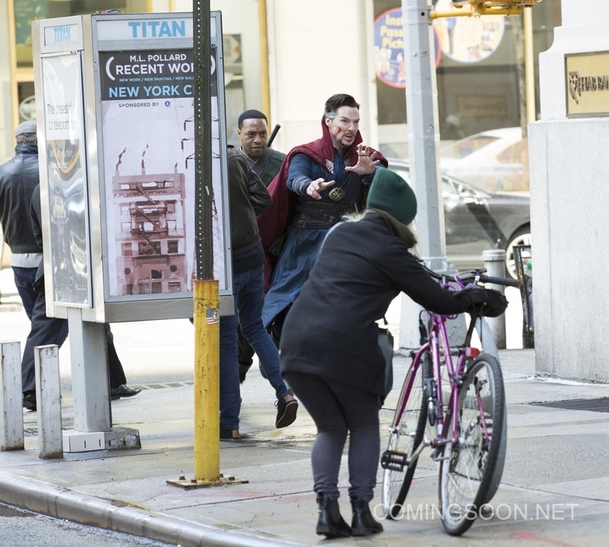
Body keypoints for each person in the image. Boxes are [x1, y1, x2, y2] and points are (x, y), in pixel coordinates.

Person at [279, 169, 508, 538]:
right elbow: (438, 299)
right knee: (364, 425)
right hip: (345, 347)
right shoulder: (391, 249)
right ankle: (361, 512)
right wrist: (473, 298)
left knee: (330, 427)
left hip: (295, 345)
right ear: (401, 219)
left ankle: (326, 513)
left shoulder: (340, 235)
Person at [258, 93, 388, 342]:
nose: (351, 128)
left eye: (356, 122)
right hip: (304, 244)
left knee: (350, 306)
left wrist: (372, 174)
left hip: (347, 242)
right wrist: (308, 185)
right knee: (284, 305)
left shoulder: (367, 157)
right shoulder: (306, 154)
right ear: (328, 121)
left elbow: (387, 186)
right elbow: (293, 177)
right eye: (344, 121)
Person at [21, 185, 141, 411]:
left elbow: (39, 234)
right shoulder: (73, 185)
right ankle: (30, 388)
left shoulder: (41, 187)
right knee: (47, 329)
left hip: (62, 264)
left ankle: (113, 380)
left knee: (98, 324)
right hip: (68, 267)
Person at [219, 145, 298, 440]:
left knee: (226, 340)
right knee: (254, 326)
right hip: (252, 255)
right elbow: (263, 198)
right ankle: (285, 393)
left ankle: (230, 422)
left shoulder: (191, 164)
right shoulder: (234, 156)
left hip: (224, 263)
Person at [234, 109, 286, 383]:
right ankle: (236, 381)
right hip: (242, 255)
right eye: (251, 134)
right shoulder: (229, 163)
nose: (257, 139)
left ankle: (282, 382)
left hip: (275, 256)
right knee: (241, 327)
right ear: (239, 133)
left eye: (262, 134)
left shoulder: (282, 163)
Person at [0, 121, 42, 320]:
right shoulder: (50, 170)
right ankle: (33, 352)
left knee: (35, 319)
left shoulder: (2, 171)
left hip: (17, 258)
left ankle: (37, 351)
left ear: (17, 141)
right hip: (47, 258)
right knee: (48, 323)